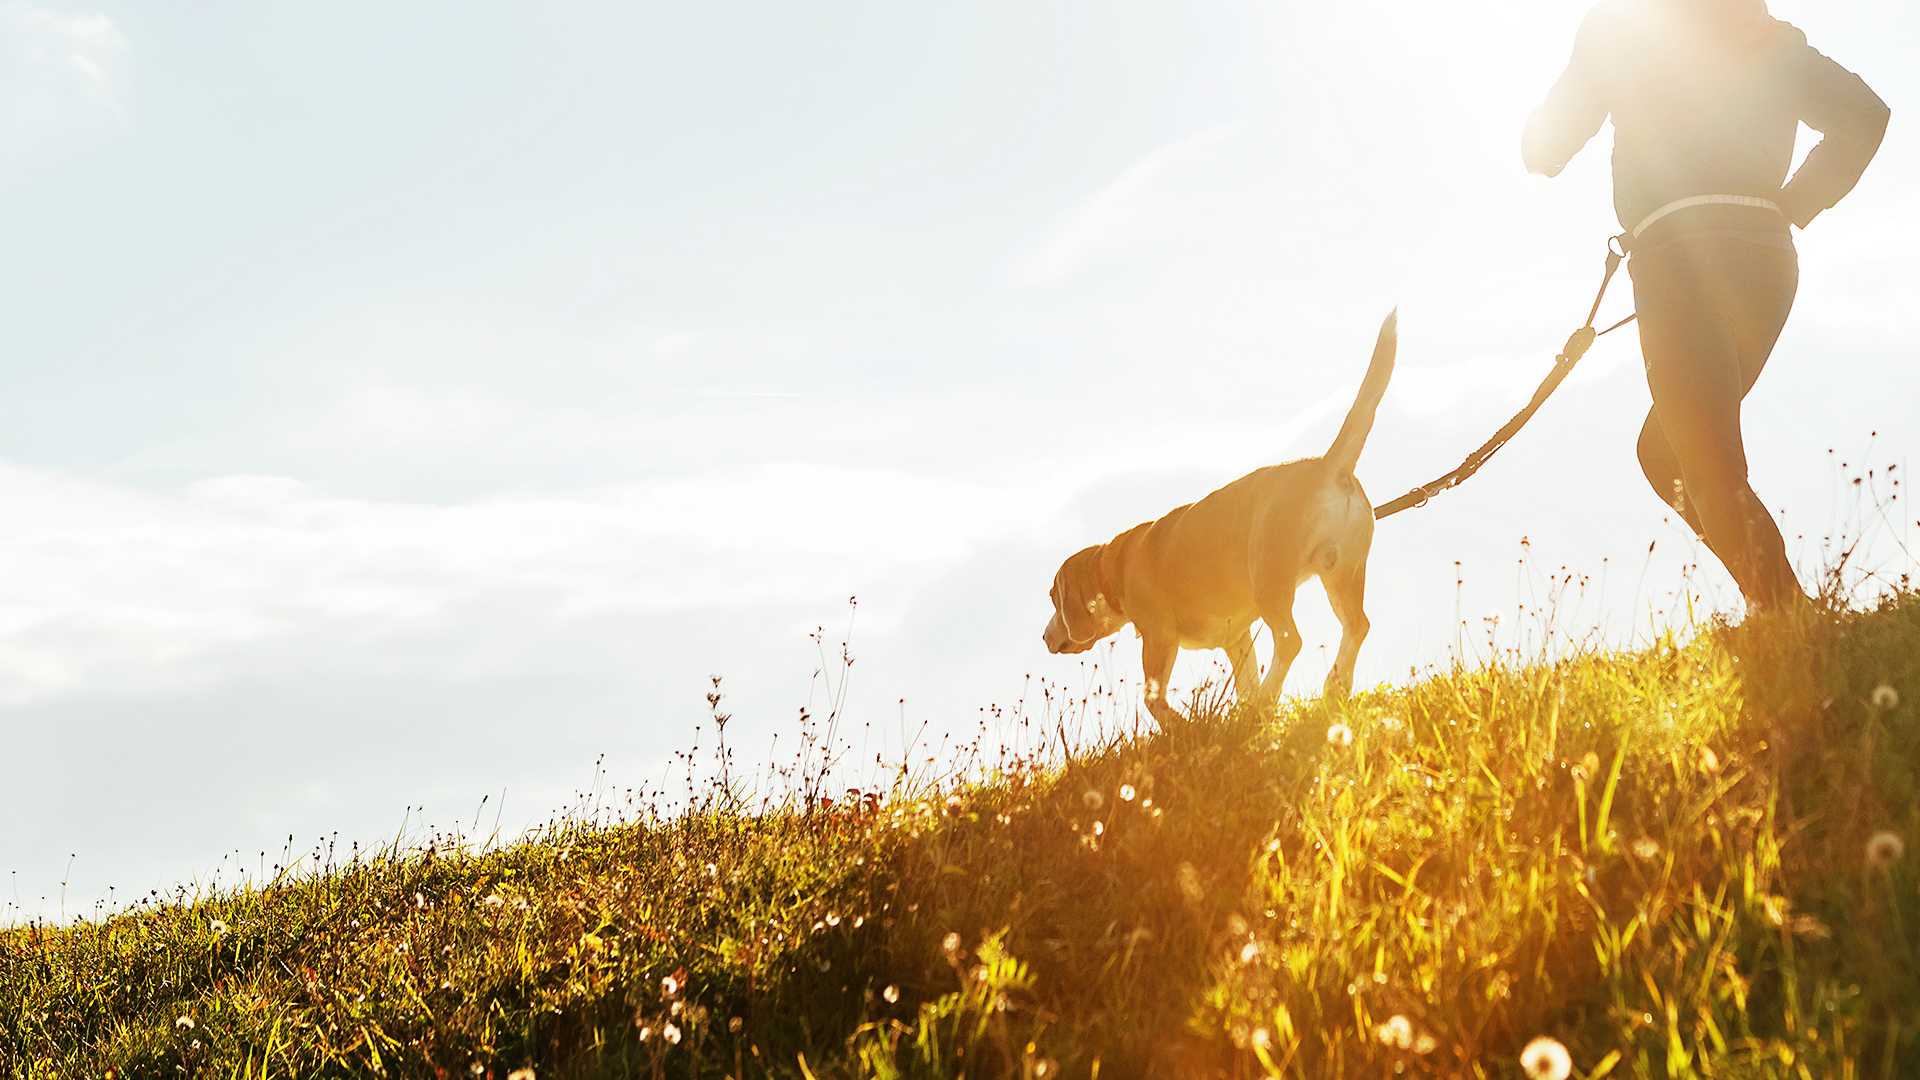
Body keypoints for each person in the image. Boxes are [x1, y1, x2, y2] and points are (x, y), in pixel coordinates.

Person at [1523, 0, 1888, 612]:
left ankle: (1792, 621)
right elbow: (1866, 115)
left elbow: (1547, 148)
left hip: (1680, 259)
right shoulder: (1773, 38)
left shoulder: (1620, 28)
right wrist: (1794, 204)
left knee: (1705, 459)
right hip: (1764, 260)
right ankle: (1779, 611)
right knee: (1668, 451)